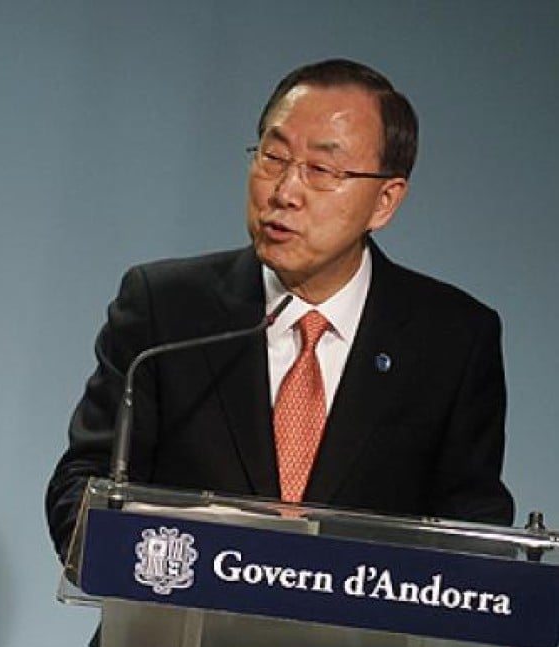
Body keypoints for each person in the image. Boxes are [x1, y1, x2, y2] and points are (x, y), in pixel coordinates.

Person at [46, 58, 515, 569]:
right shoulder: (165, 308)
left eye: (321, 170)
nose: (284, 192)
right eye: (273, 157)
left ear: (384, 201)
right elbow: (85, 484)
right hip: (172, 637)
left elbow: (474, 528)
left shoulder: (451, 339)